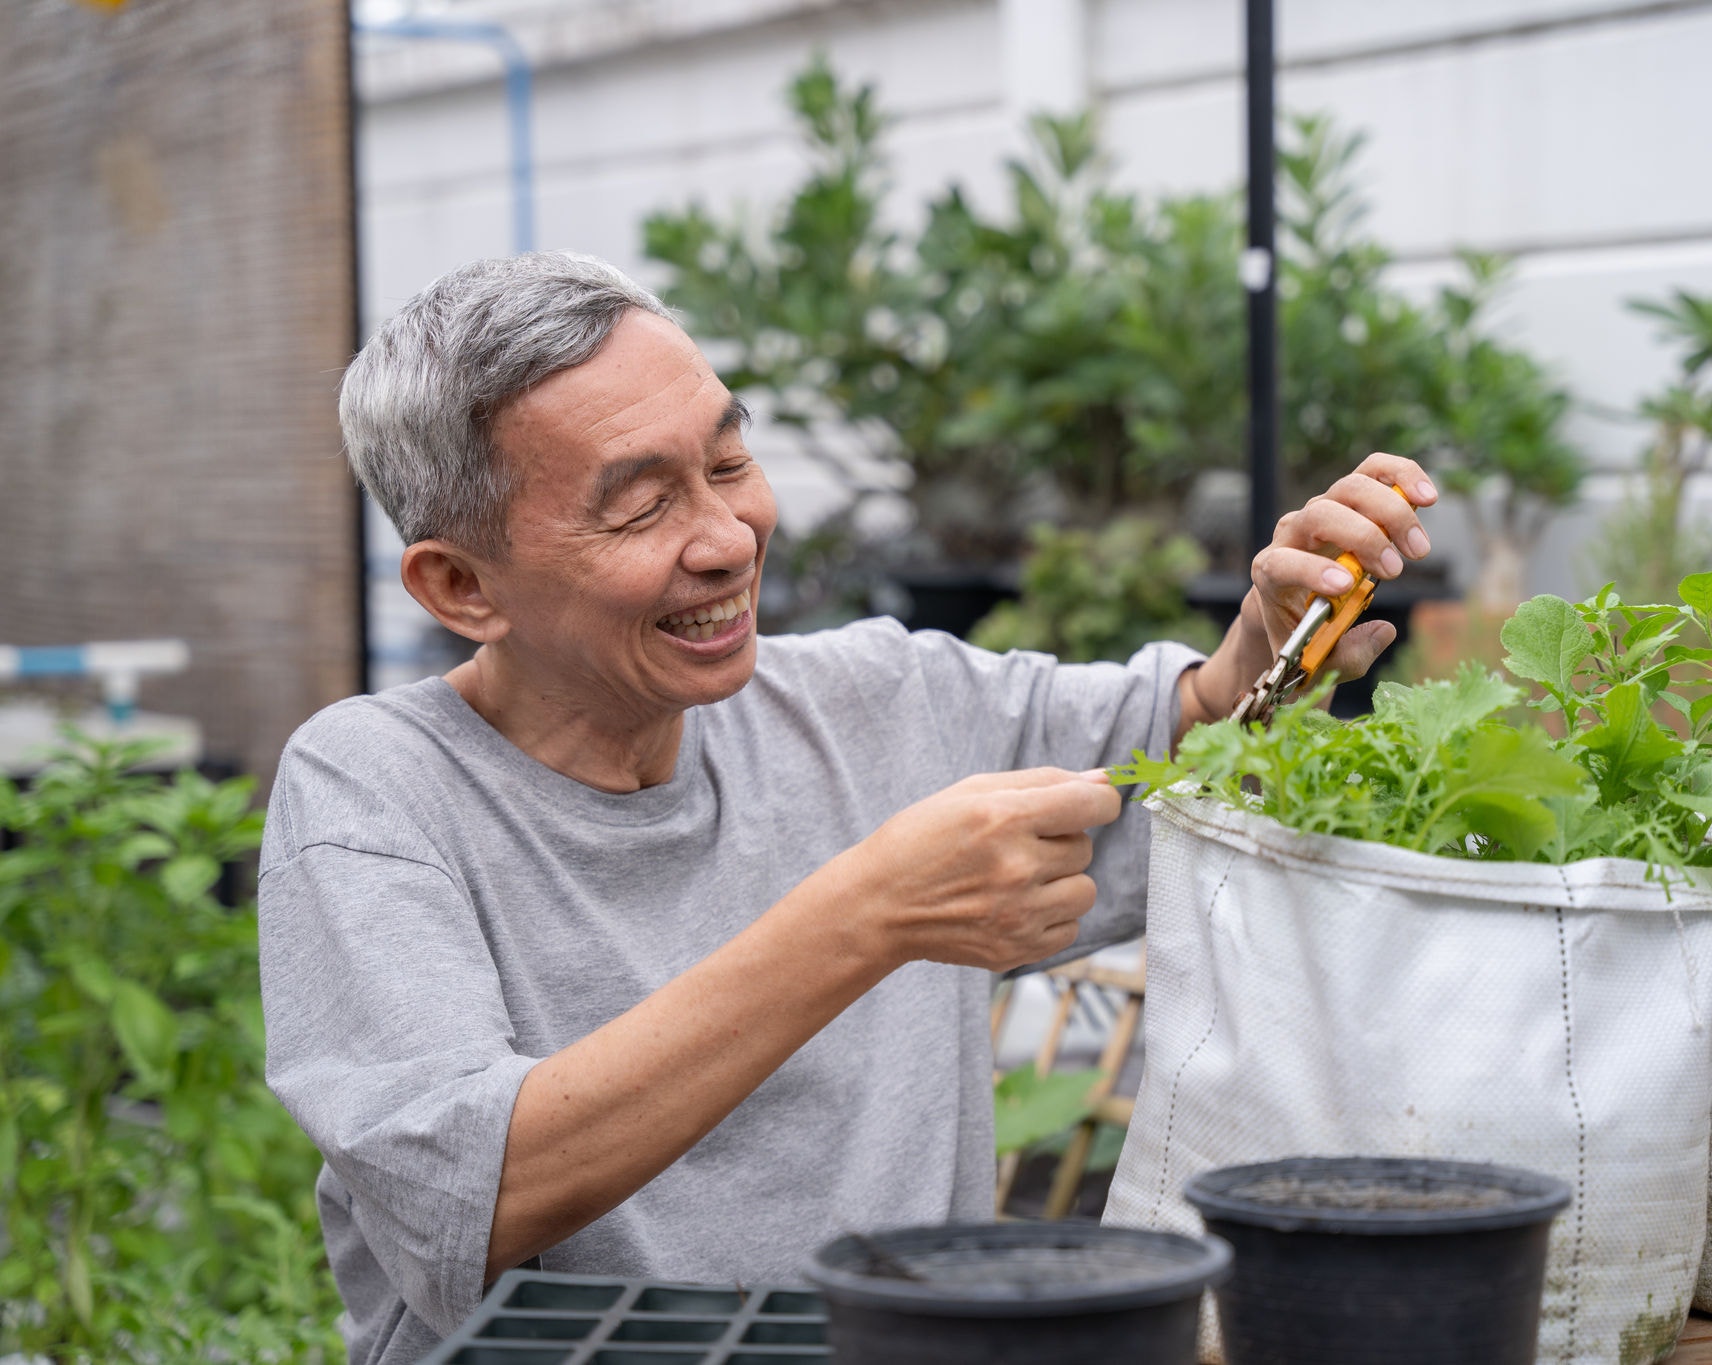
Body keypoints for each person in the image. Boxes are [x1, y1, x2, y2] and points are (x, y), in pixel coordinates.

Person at [258, 251, 1435, 1363]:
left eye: (726, 466)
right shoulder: (375, 787)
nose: (725, 540)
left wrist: (1261, 649)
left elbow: (1177, 739)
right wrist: (866, 916)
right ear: (460, 585)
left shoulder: (872, 698)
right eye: (638, 506)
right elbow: (471, 1191)